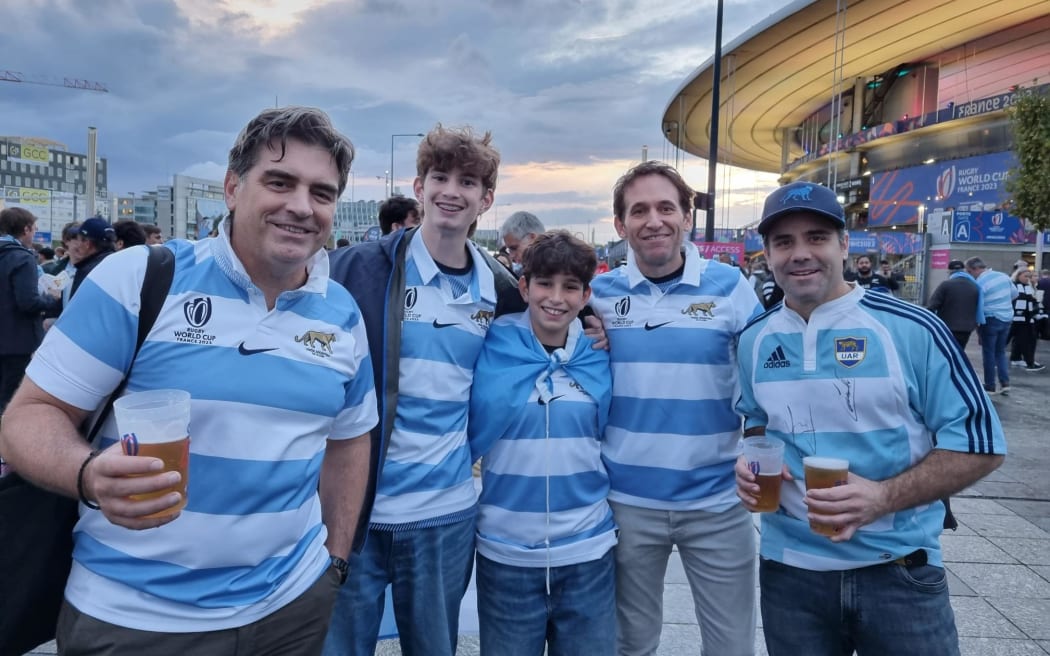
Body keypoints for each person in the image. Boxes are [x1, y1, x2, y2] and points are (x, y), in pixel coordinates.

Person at [0, 106, 378, 655]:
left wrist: (334, 564)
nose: (301, 206)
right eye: (280, 181)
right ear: (232, 187)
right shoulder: (139, 279)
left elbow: (349, 440)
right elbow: (27, 418)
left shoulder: (341, 312)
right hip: (134, 620)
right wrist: (87, 475)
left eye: (322, 192)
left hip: (291, 610)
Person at [734, 180, 1006, 656]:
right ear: (767, 254)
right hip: (790, 574)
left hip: (898, 571)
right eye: (784, 242)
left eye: (816, 237)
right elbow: (756, 421)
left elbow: (980, 445)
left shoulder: (913, 328)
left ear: (844, 243)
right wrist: (754, 460)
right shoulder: (753, 338)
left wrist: (882, 497)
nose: (800, 254)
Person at [324, 124, 519, 656]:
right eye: (440, 177)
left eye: (468, 181)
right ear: (419, 186)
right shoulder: (358, 267)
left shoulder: (499, 290)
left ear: (487, 198)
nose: (452, 191)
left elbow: (549, 330)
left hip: (443, 512)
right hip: (355, 508)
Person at [589, 161, 762, 656]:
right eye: (638, 210)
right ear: (621, 225)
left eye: (667, 207)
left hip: (717, 504)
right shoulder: (599, 297)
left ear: (687, 215)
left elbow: (765, 383)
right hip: (626, 503)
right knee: (630, 644)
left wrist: (759, 449)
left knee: (731, 647)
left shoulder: (730, 288)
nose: (654, 220)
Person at [468, 231, 616, 656]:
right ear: (523, 286)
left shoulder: (600, 349)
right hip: (506, 555)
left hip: (588, 552)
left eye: (570, 286)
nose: (556, 297)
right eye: (544, 284)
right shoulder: (489, 342)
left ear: (586, 293)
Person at [0, 207, 62, 412]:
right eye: (34, 229)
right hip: (16, 340)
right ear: (26, 229)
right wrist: (52, 300)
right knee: (10, 400)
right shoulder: (22, 258)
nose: (34, 233)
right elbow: (28, 302)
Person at [967, 256, 1018, 395]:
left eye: (970, 271)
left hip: (990, 318)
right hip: (1006, 318)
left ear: (975, 269)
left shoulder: (980, 282)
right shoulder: (1003, 276)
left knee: (989, 353)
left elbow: (978, 303)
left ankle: (990, 385)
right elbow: (1015, 294)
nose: (970, 274)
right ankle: (1005, 383)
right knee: (1000, 352)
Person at [927, 259, 983, 349]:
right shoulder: (975, 286)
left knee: (946, 352)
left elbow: (932, 306)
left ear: (949, 271)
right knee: (960, 352)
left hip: (947, 327)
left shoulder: (945, 285)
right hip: (967, 328)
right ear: (964, 270)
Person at [65, 216, 116, 304]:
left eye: (79, 239)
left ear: (87, 244)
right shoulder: (118, 265)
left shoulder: (87, 272)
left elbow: (77, 311)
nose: (78, 245)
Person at [1008, 267, 1044, 371]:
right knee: (1008, 340)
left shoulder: (1028, 287)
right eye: (1025, 276)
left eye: (1029, 276)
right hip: (1014, 318)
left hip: (1025, 319)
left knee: (1024, 340)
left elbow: (1032, 301)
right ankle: (1028, 362)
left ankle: (1019, 359)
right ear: (1018, 275)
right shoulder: (1013, 286)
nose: (1027, 278)